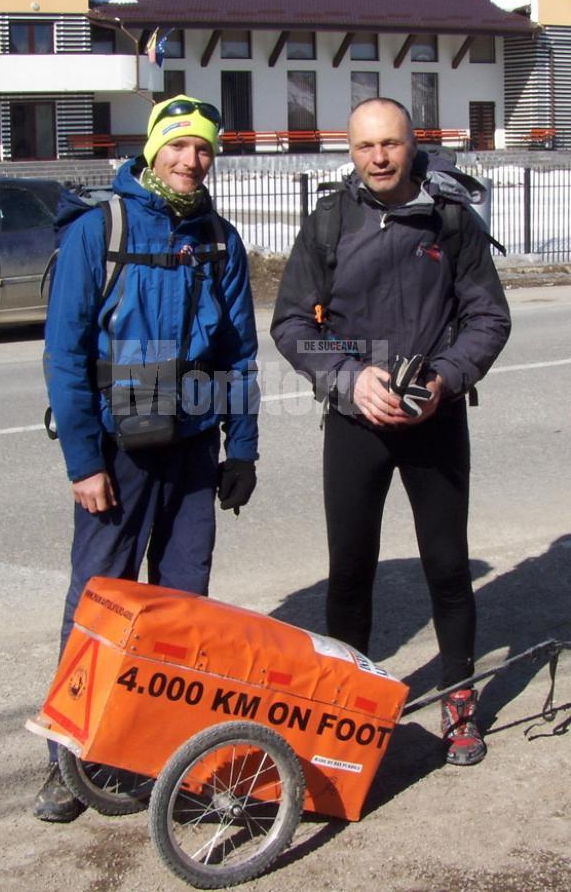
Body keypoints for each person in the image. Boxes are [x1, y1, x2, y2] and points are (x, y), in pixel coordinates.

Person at [35, 95, 259, 821]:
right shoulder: (100, 231)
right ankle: (69, 760)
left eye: (204, 150)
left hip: (193, 448)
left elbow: (239, 355)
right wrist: (82, 464)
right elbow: (66, 357)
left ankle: (154, 748)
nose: (192, 160)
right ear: (154, 148)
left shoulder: (220, 240)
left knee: (181, 603)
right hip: (116, 452)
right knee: (99, 604)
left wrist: (242, 448)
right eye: (180, 146)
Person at [271, 98, 511, 766]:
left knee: (447, 567)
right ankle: (346, 708)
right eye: (365, 146)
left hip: (434, 417)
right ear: (350, 151)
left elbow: (489, 318)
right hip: (356, 424)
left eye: (391, 144)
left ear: (413, 145)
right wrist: (349, 377)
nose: (378, 157)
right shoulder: (329, 220)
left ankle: (458, 699)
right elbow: (293, 322)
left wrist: (446, 379)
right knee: (348, 572)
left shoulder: (452, 217)